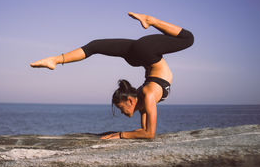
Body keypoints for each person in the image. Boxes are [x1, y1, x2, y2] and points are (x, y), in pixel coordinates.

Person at [30, 12, 194, 139]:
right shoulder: (148, 95)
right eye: (122, 110)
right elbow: (148, 133)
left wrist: (121, 135)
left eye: (121, 110)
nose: (123, 113)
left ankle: (56, 60)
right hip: (145, 52)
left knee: (95, 46)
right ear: (130, 100)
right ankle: (151, 21)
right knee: (188, 38)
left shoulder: (145, 96)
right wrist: (124, 135)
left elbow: (146, 133)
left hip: (141, 54)